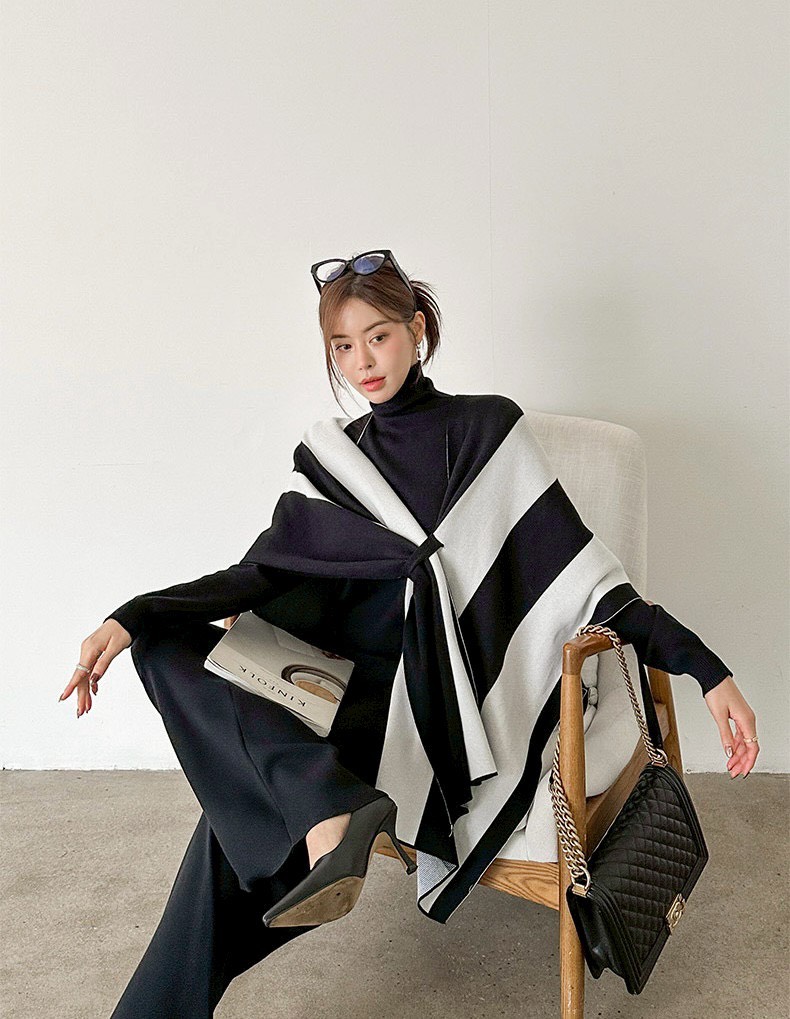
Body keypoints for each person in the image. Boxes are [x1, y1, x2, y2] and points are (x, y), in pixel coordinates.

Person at [59, 250, 760, 1018]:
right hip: (329, 687)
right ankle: (325, 806)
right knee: (159, 642)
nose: (362, 361)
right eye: (343, 346)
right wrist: (127, 615)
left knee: (226, 840)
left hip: (420, 713)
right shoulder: (337, 459)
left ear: (417, 330)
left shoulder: (485, 433)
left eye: (379, 336)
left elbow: (589, 585)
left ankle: (316, 811)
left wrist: (708, 669)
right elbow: (257, 575)